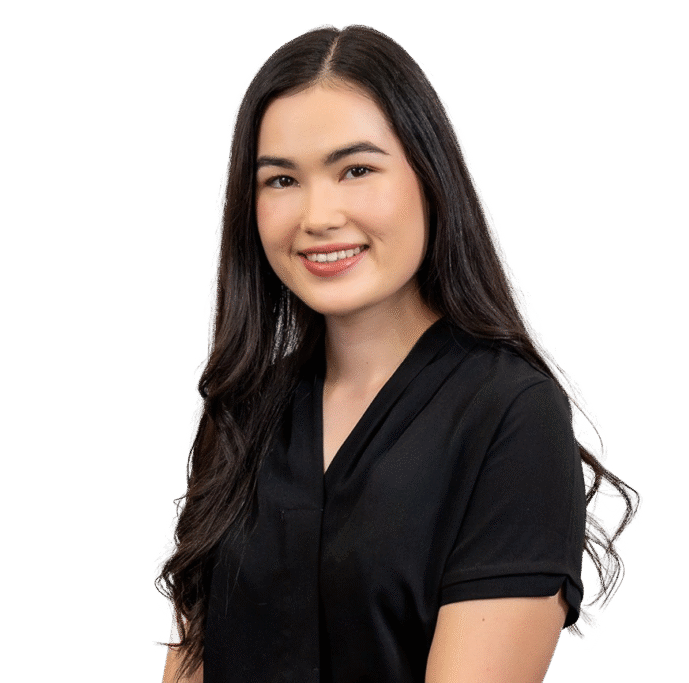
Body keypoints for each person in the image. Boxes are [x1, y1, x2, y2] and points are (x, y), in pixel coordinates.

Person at [155, 24, 640, 683]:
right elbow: (189, 665)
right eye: (281, 180)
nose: (318, 214)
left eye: (356, 169)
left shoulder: (510, 417)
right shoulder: (241, 410)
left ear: (429, 178)